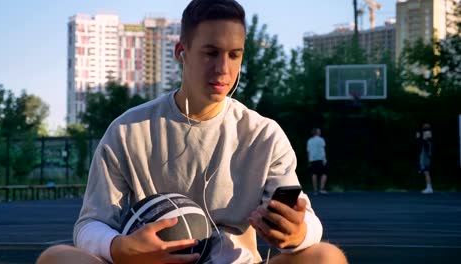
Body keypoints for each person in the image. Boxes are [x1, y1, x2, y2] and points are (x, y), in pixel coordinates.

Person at [36, 0, 347, 263]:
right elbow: (90, 224)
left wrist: (299, 232)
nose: (223, 69)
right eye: (210, 53)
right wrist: (120, 248)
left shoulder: (263, 135)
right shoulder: (128, 131)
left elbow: (305, 216)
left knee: (326, 257)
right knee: (55, 258)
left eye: (234, 54)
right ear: (181, 51)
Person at [307, 128, 328, 195]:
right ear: (317, 132)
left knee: (314, 174)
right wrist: (324, 159)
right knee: (324, 173)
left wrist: (309, 160)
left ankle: (315, 190)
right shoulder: (321, 140)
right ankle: (321, 188)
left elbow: (308, 151)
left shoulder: (309, 141)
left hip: (312, 159)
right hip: (320, 158)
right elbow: (322, 150)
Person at [417, 123, 433, 194]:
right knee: (425, 172)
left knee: (426, 172)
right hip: (426, 157)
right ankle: (428, 187)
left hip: (425, 158)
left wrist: (419, 137)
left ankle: (429, 187)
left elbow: (424, 143)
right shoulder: (427, 143)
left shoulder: (427, 143)